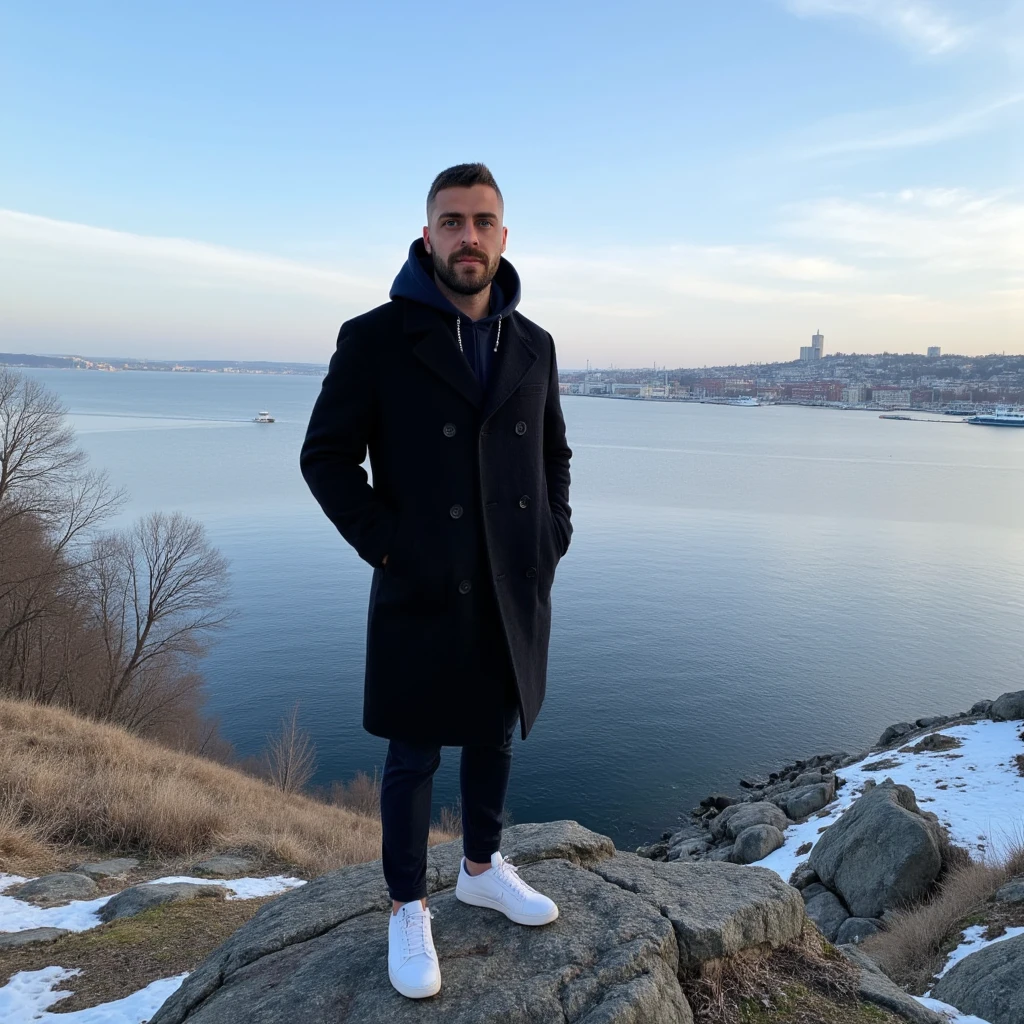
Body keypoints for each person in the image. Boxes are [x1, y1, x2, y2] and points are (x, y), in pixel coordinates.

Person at [299, 162, 573, 999]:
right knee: (414, 751)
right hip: (423, 578)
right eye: (451, 222)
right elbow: (326, 457)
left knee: (493, 729)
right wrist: (389, 545)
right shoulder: (376, 336)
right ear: (427, 235)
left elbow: (552, 455)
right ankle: (407, 904)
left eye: (482, 221)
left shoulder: (534, 344)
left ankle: (482, 867)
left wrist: (551, 535)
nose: (468, 237)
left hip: (510, 578)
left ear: (503, 236)